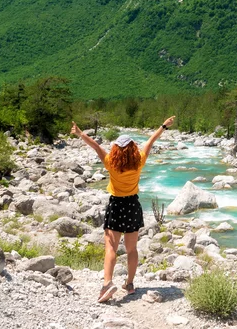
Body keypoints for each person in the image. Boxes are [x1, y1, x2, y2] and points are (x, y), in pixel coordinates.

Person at [71, 116, 176, 302]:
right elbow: (151, 141)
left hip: (117, 205)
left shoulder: (110, 162)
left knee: (111, 247)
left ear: (116, 150)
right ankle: (129, 284)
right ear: (133, 149)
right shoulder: (139, 162)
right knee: (132, 249)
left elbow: (95, 146)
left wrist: (79, 133)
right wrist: (163, 126)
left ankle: (107, 283)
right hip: (133, 206)